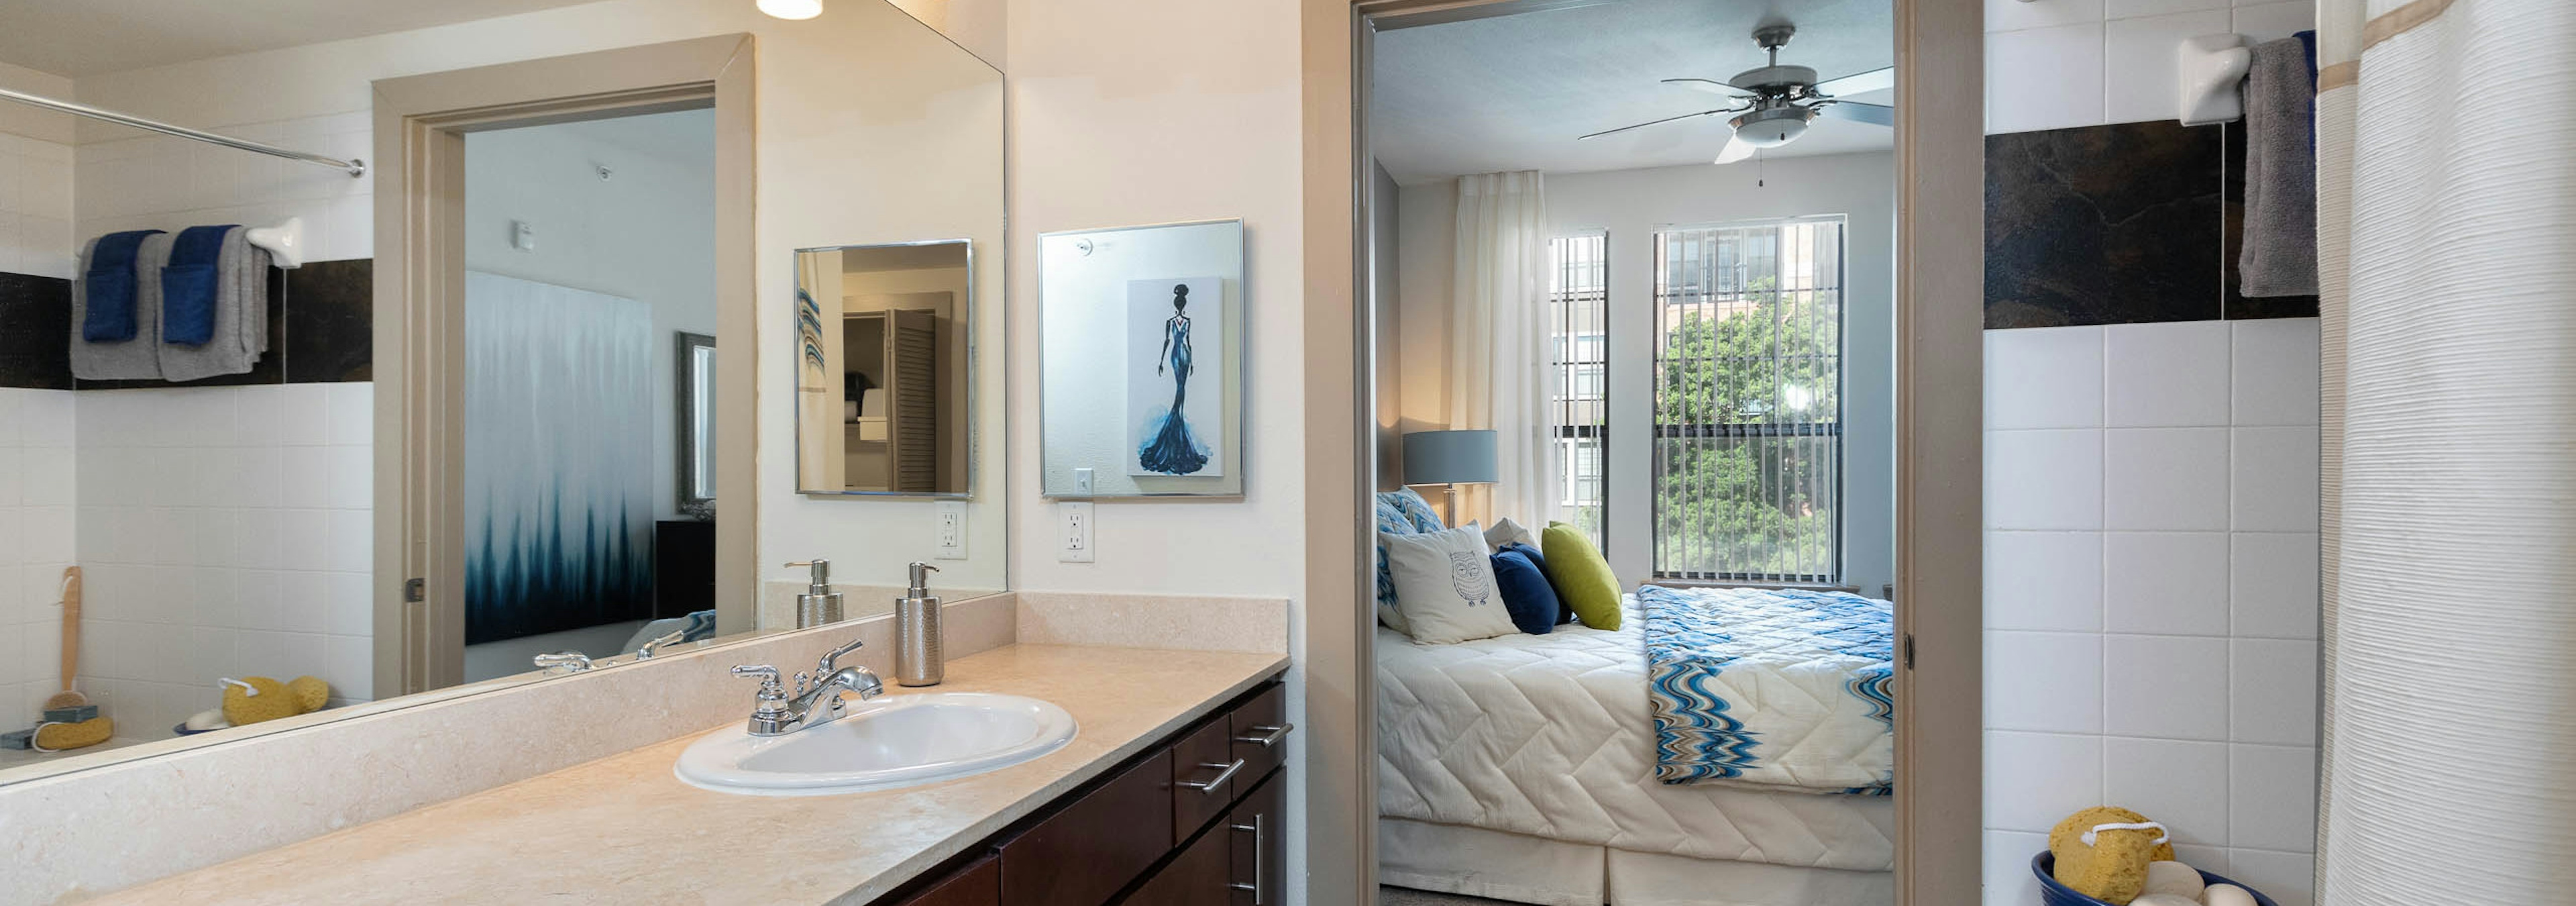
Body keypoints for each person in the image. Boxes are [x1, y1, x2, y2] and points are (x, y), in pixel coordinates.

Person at [1137, 283, 1210, 474]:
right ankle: (1176, 422)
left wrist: (1188, 361)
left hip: (1180, 353)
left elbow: (1182, 342)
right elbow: (1175, 341)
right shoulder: (1179, 321)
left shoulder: (1182, 321)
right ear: (1183, 305)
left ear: (1176, 305)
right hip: (1180, 353)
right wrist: (1162, 361)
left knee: (1181, 388)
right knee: (1181, 388)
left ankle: (1176, 421)